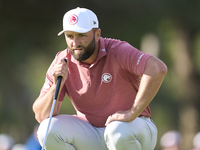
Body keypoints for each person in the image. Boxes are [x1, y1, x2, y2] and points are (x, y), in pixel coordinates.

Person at [33, 7, 167, 150]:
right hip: (93, 133)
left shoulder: (117, 51)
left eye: (81, 35)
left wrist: (132, 112)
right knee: (47, 130)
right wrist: (55, 86)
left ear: (97, 34)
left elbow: (157, 68)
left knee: (116, 131)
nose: (75, 42)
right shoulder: (62, 61)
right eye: (70, 36)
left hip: (134, 128)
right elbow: (41, 115)